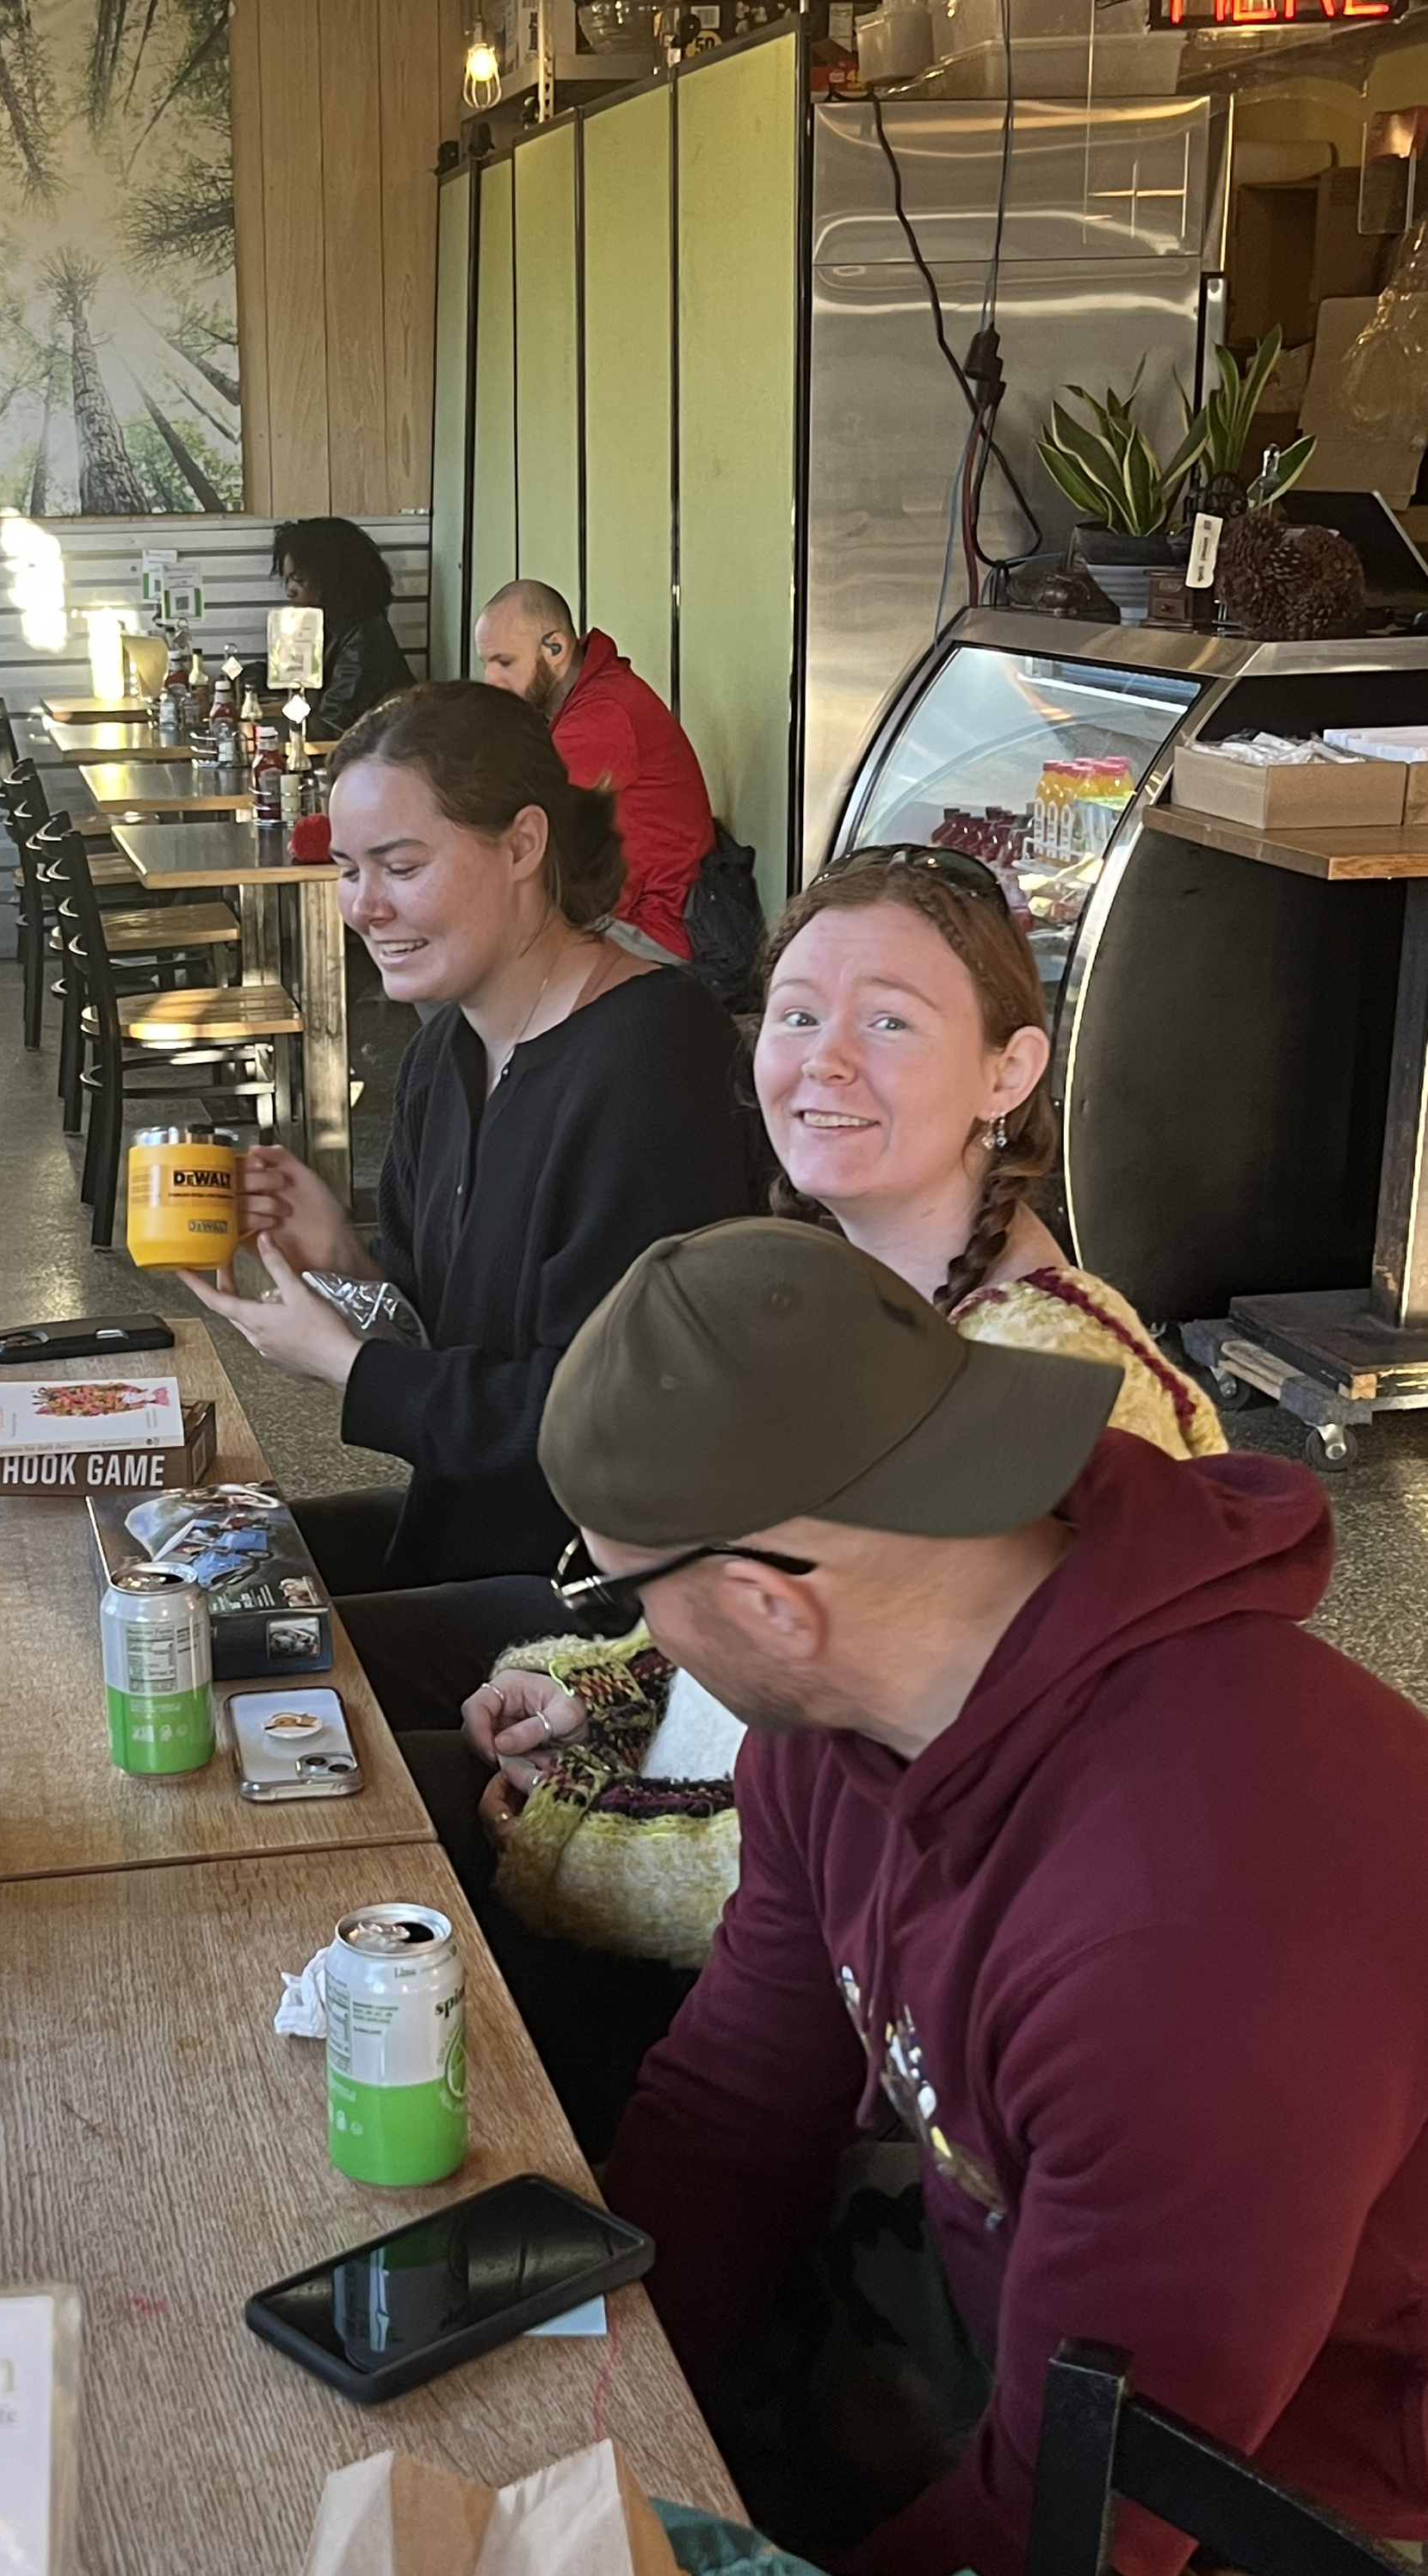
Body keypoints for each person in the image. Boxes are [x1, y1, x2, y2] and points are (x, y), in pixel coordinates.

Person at [533, 1213, 1428, 2576]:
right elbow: (736, 2109)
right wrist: (561, 2402)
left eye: (617, 1586)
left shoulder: (1190, 1922)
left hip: (1319, 2501)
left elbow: (1087, 2520)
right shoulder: (834, 1736)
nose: (629, 1632)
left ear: (767, 1598)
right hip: (1069, 2316)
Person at [417, 849, 1222, 2151]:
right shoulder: (846, 1291)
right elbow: (782, 1615)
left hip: (874, 2060)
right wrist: (605, 1694)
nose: (824, 1062)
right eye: (797, 1015)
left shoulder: (1058, 1395)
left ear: (1010, 1074)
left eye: (890, 1022)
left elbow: (886, 1852)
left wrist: (561, 1841)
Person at [174, 680, 755, 1732]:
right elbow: (461, 1325)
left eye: (402, 867)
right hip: (470, 1529)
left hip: (600, 1607)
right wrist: (350, 1266)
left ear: (524, 844)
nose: (364, 907)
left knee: (209, 1670)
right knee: (166, 1579)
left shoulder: (652, 1058)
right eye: (349, 871)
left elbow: (610, 1426)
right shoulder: (450, 1043)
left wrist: (351, 1368)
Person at [475, 579, 714, 963]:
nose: (491, 680)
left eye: (505, 662)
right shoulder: (578, 701)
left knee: (463, 945)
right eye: (485, 663)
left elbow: (499, 811)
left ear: (555, 647)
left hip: (651, 929)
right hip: (620, 909)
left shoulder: (600, 717)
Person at [271, 517, 413, 738]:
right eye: (287, 580)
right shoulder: (330, 626)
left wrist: (261, 733)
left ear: (332, 578)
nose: (289, 590)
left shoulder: (364, 638)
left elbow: (331, 726)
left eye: (299, 579)